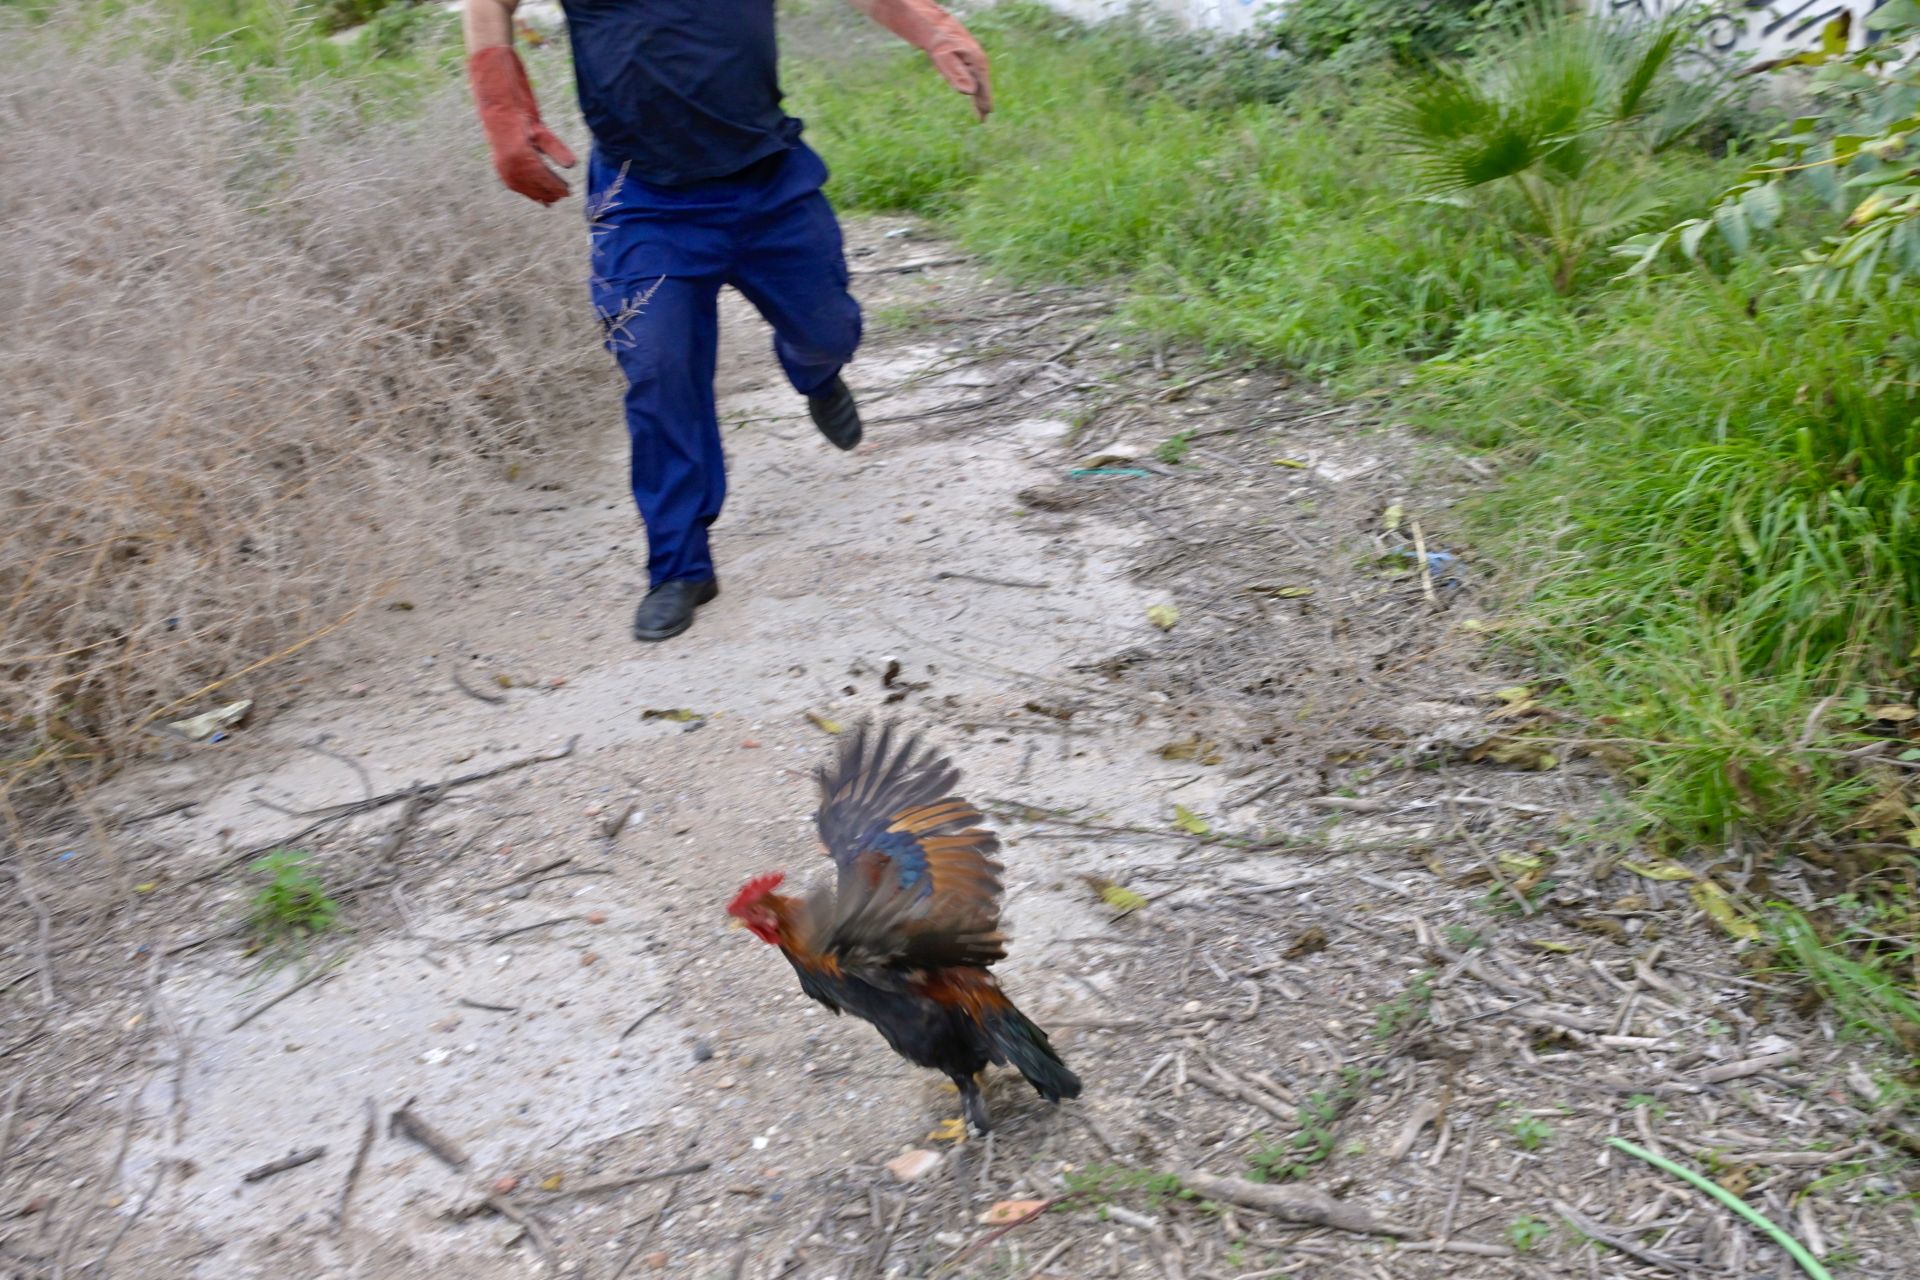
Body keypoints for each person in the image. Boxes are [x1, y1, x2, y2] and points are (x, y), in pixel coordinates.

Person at [462, 0, 992, 641]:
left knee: (828, 331)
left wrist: (934, 29)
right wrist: (501, 105)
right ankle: (680, 566)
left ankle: (815, 373)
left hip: (769, 180)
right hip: (643, 199)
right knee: (658, 368)